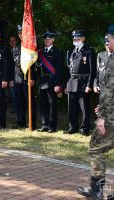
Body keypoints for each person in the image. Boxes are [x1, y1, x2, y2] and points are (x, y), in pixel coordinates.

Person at [77, 24, 114, 200]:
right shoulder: (108, 58)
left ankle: (96, 189)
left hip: (111, 118)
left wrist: (103, 116)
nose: (107, 41)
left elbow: (110, 91)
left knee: (96, 148)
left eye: (110, 38)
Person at [65, 30, 96, 135]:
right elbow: (68, 69)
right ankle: (72, 127)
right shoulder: (71, 51)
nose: (75, 40)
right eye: (74, 38)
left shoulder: (89, 51)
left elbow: (93, 70)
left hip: (83, 82)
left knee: (84, 108)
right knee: (72, 107)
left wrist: (89, 85)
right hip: (72, 81)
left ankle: (84, 129)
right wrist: (66, 84)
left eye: (78, 38)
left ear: (83, 38)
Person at [9, 25, 36, 129]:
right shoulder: (16, 47)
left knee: (29, 102)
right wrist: (11, 79)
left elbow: (34, 64)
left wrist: (32, 77)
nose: (21, 35)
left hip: (27, 78)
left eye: (23, 33)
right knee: (18, 102)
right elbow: (11, 65)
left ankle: (32, 124)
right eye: (19, 33)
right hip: (16, 78)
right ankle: (21, 122)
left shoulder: (30, 47)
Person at [37, 32, 63, 133]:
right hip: (42, 81)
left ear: (53, 40)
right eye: (45, 39)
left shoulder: (57, 52)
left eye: (49, 39)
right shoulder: (41, 52)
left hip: (52, 81)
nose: (47, 41)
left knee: (52, 105)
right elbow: (38, 68)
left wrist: (57, 84)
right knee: (43, 104)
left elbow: (59, 70)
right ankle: (45, 124)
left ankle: (52, 126)